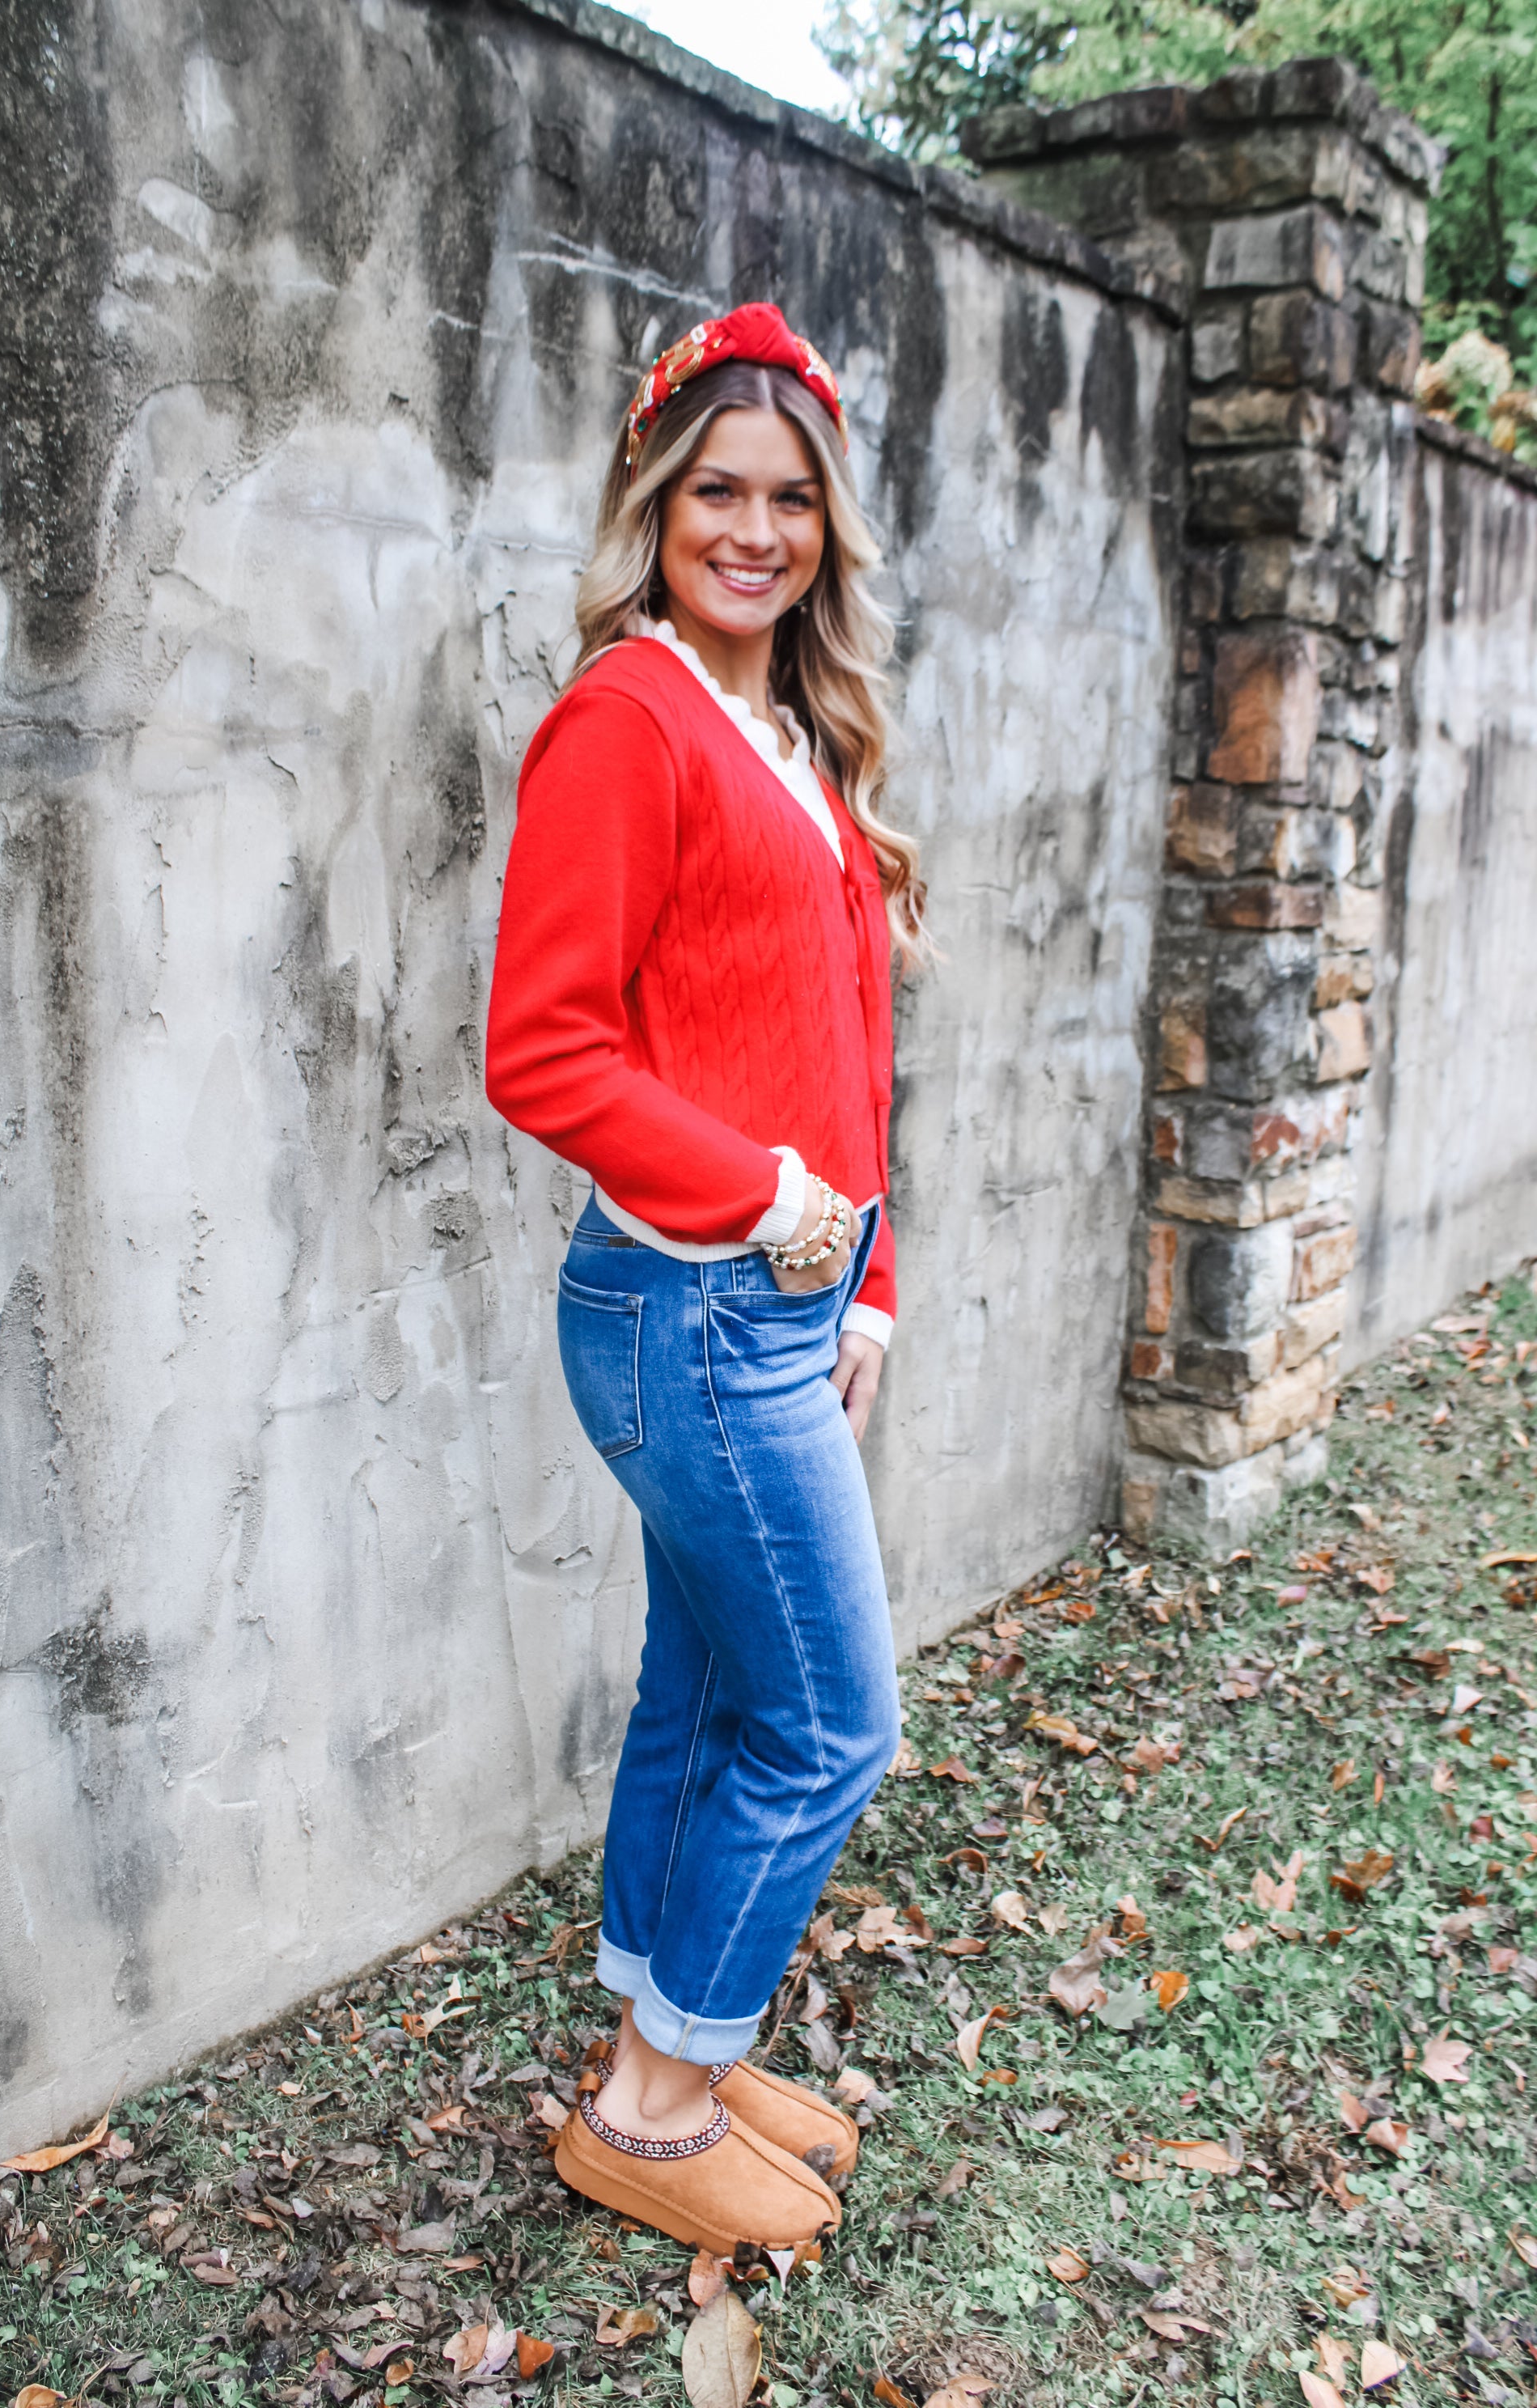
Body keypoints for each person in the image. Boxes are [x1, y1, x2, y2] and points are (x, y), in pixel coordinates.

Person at [485, 303, 927, 2258]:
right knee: (828, 1725)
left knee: (704, 1693)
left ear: (827, 526)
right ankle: (653, 2119)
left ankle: (665, 2043)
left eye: (789, 501)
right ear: (656, 508)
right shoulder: (628, 719)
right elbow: (543, 1051)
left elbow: (844, 1041)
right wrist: (772, 1207)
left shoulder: (793, 735)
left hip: (779, 1302)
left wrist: (867, 1278)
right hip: (685, 1303)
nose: (753, 532)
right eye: (714, 495)